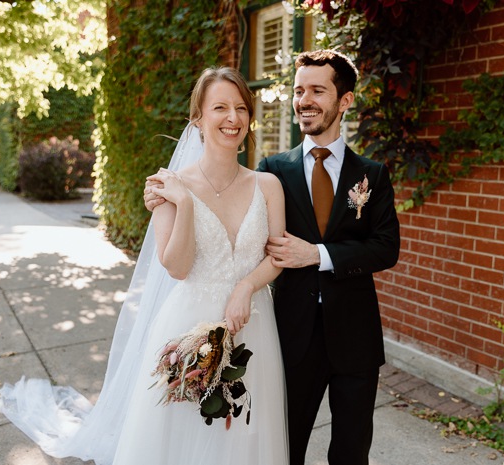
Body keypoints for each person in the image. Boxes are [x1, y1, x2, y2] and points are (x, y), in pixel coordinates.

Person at [0, 67, 289, 465]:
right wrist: (184, 203)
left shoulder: (267, 185)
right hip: (188, 324)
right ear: (198, 118)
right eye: (220, 107)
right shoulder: (168, 185)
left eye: (241, 107)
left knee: (245, 430)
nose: (233, 118)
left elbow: (276, 255)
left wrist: (246, 286)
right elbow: (177, 267)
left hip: (252, 323)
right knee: (182, 433)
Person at [145, 50, 400, 465]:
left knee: (353, 450)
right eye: (299, 90)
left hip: (355, 335)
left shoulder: (371, 173)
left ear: (345, 100)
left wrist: (317, 254)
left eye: (318, 90)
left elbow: (386, 247)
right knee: (284, 446)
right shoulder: (273, 171)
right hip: (290, 334)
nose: (305, 100)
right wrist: (170, 199)